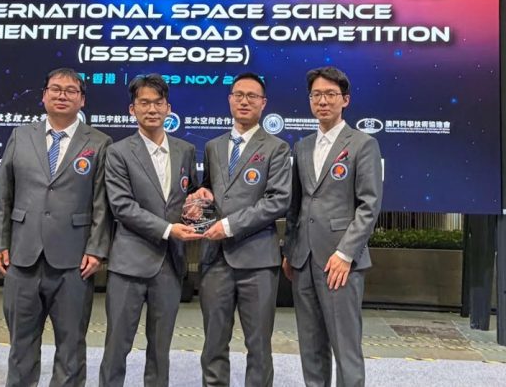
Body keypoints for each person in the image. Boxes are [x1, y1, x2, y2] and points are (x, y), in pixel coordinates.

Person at [0, 67, 112, 387]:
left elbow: (102, 202)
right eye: (55, 89)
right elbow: (3, 194)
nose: (62, 95)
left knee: (71, 346)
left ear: (82, 100)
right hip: (22, 255)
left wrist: (97, 249)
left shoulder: (99, 142)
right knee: (21, 344)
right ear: (44, 96)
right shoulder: (21, 135)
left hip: (74, 261)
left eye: (71, 91)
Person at [283, 66, 383, 387]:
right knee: (310, 345)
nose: (323, 101)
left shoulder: (363, 144)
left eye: (330, 94)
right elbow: (296, 205)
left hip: (339, 262)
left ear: (345, 100)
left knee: (345, 347)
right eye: (316, 95)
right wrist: (290, 250)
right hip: (303, 259)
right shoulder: (302, 146)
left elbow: (369, 206)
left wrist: (345, 253)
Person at [189, 72, 291, 386]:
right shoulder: (213, 146)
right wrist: (201, 196)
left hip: (257, 261)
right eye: (239, 95)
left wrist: (230, 225)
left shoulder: (276, 148)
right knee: (213, 344)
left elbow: (278, 201)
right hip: (215, 260)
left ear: (263, 103)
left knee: (258, 346)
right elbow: (211, 190)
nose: (244, 101)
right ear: (230, 99)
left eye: (252, 96)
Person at [99, 74, 200, 387]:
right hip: (128, 265)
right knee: (117, 346)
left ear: (168, 107)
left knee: (160, 349)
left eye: (158, 103)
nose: (152, 109)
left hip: (170, 265)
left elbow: (190, 196)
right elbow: (122, 206)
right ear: (132, 109)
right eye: (144, 103)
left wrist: (196, 206)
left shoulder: (185, 150)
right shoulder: (118, 152)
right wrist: (169, 229)